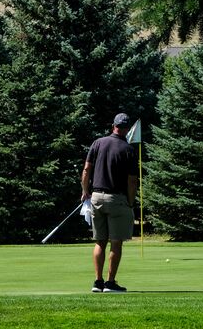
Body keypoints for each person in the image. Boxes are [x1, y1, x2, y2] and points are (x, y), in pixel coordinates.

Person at [81, 113, 138, 293]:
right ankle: (110, 283)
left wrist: (85, 191)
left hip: (96, 197)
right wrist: (130, 201)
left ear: (113, 125)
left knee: (100, 242)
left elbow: (86, 169)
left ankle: (97, 282)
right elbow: (132, 181)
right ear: (127, 129)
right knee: (116, 242)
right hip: (117, 199)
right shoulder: (128, 149)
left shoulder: (98, 143)